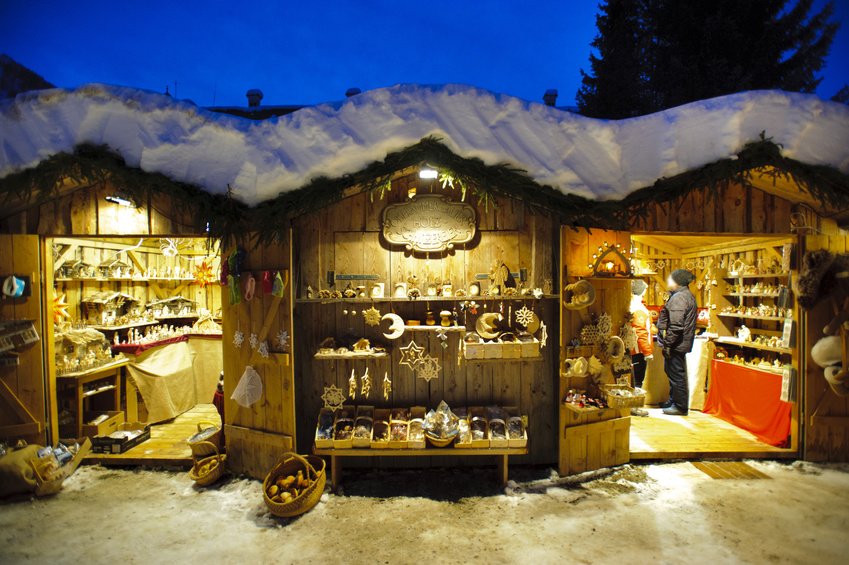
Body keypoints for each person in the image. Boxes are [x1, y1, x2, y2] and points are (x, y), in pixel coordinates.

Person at [656, 269, 698, 415]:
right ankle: (673, 400)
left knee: (676, 374)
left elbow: (676, 325)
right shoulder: (684, 295)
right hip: (679, 343)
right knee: (673, 372)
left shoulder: (680, 298)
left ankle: (680, 406)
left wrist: (668, 344)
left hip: (677, 344)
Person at [629, 279, 653, 417]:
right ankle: (635, 407)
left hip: (634, 349)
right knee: (637, 378)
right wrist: (647, 351)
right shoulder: (639, 309)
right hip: (637, 350)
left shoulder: (633, 306)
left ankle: (634, 406)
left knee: (634, 378)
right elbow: (640, 331)